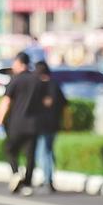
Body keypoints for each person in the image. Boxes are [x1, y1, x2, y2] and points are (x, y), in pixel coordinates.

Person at [0, 52, 45, 196]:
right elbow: (45, 102)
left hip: (17, 123)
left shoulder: (15, 80)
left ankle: (16, 173)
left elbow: (6, 101)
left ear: (20, 63)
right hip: (34, 123)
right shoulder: (37, 80)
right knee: (30, 155)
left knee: (10, 149)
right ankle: (27, 184)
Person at [33, 61, 67, 192]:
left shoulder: (37, 86)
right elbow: (65, 106)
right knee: (48, 151)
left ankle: (47, 179)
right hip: (54, 124)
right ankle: (48, 177)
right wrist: (68, 123)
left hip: (41, 124)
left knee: (42, 152)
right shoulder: (55, 85)